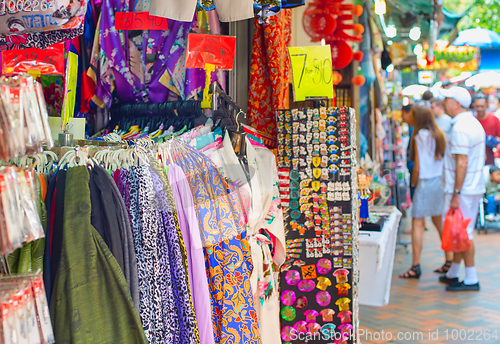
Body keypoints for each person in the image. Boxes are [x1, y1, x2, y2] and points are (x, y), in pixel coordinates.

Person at [439, 86, 485, 292]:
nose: (443, 104)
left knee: (463, 232)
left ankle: (471, 278)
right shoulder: (469, 122)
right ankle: (454, 272)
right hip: (470, 187)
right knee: (459, 231)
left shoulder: (460, 127)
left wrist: (456, 193)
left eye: (447, 100)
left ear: (456, 103)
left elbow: (462, 163)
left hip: (464, 189)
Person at [399, 105, 448, 279]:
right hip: (438, 182)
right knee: (438, 222)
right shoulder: (439, 134)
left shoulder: (419, 136)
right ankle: (448, 261)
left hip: (425, 182)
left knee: (417, 224)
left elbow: (418, 167)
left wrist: (413, 184)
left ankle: (415, 266)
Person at [473, 94, 500, 165]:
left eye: (482, 106)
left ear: (486, 105)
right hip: (474, 159)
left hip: (489, 159)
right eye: (477, 106)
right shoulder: (472, 120)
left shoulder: (494, 119)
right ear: (474, 106)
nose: (479, 109)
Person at [402, 104, 414, 198]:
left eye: (403, 114)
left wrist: (413, 182)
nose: (402, 117)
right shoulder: (412, 129)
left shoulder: (413, 130)